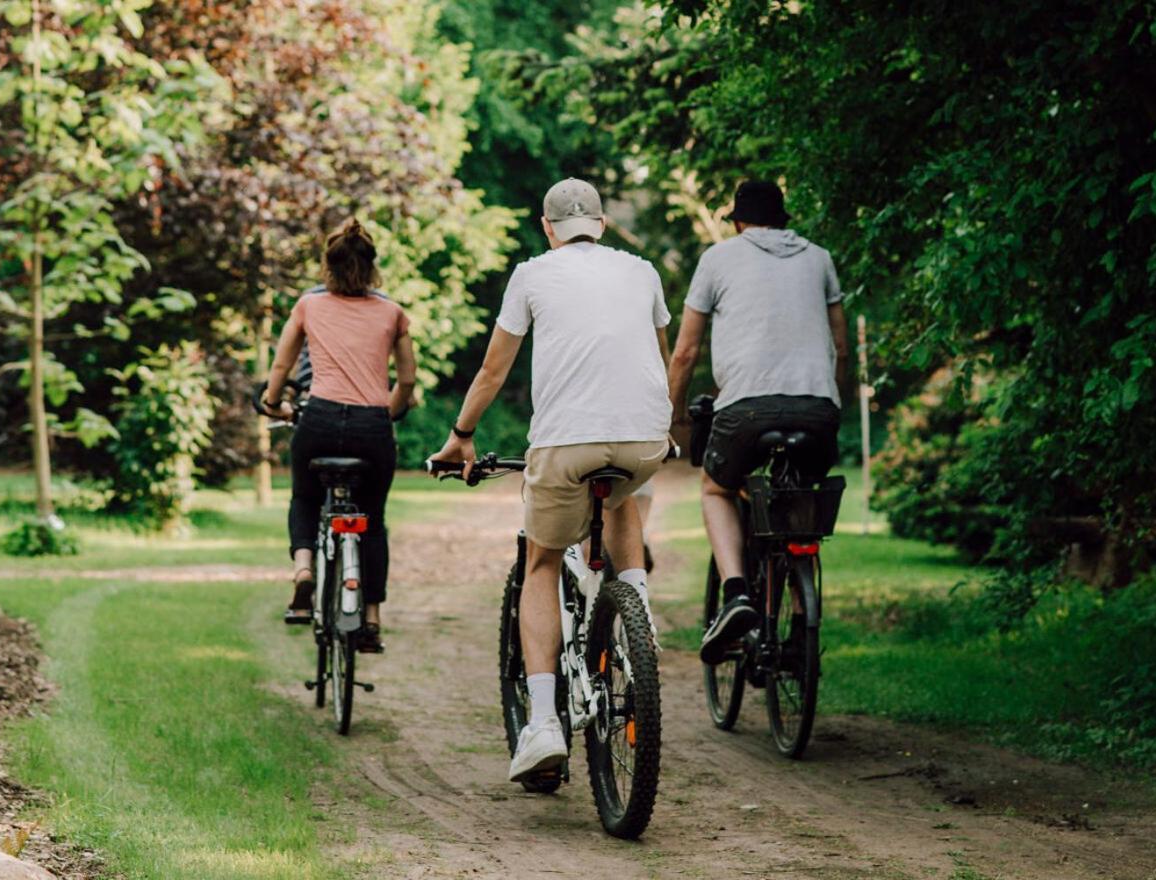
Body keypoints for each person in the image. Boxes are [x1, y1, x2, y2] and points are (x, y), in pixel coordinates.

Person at [430, 178, 672, 782]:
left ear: (547, 228)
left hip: (566, 443)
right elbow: (661, 355)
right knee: (619, 498)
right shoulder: (642, 271)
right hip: (644, 438)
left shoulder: (532, 274)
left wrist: (462, 434)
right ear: (602, 225)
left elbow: (494, 368)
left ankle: (541, 723)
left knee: (541, 562)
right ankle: (638, 616)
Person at [667, 180, 848, 665]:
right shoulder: (820, 259)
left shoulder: (718, 260)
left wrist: (674, 413)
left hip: (746, 409)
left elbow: (685, 351)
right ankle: (797, 623)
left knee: (716, 489)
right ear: (781, 219)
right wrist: (833, 406)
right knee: (801, 509)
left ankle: (737, 595)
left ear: (739, 222)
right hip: (817, 408)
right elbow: (841, 347)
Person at [262, 219, 416, 654]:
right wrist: (387, 412)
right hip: (372, 425)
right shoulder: (393, 313)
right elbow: (406, 381)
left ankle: (304, 570)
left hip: (320, 420)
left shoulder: (308, 306)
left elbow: (281, 369)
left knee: (306, 498)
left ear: (328, 266)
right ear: (372, 269)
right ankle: (370, 619)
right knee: (373, 521)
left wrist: (274, 403)